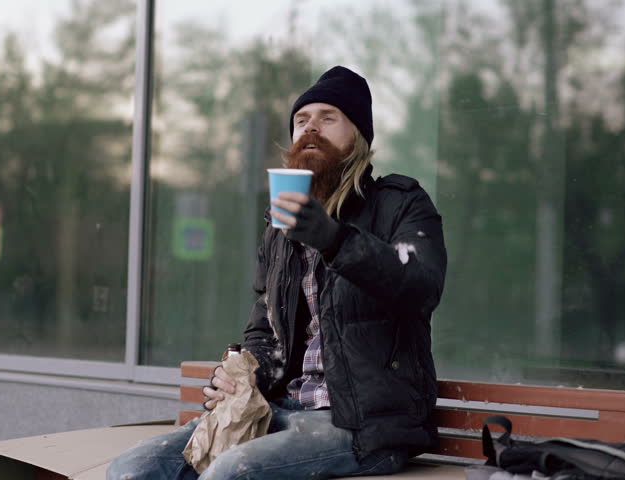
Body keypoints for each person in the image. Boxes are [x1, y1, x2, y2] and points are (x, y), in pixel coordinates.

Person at [107, 65, 447, 480]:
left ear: (358, 135)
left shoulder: (400, 204)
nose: (311, 128)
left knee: (230, 473)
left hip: (363, 428)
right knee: (133, 468)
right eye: (301, 120)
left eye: (328, 118)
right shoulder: (280, 230)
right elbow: (265, 331)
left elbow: (421, 286)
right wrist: (241, 374)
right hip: (281, 410)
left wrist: (334, 239)